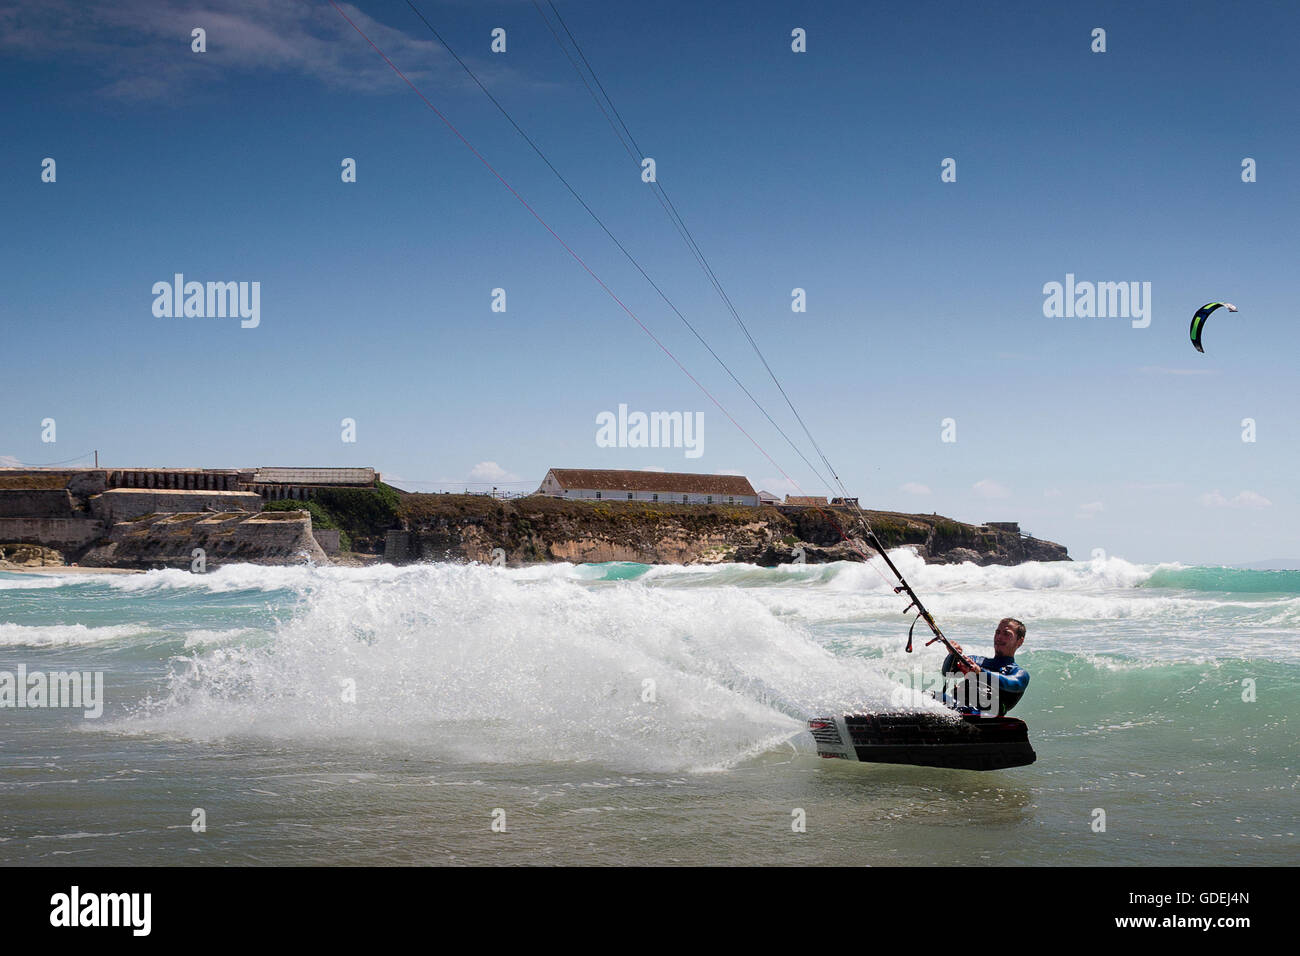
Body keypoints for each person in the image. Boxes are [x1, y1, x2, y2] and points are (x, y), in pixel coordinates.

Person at [940, 617, 1030, 716]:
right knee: (926, 695)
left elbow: (1011, 683)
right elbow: (948, 672)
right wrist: (953, 654)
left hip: (985, 714)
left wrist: (980, 672)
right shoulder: (976, 661)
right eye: (998, 632)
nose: (999, 637)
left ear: (1020, 641)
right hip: (956, 707)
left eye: (1006, 634)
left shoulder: (1020, 673)